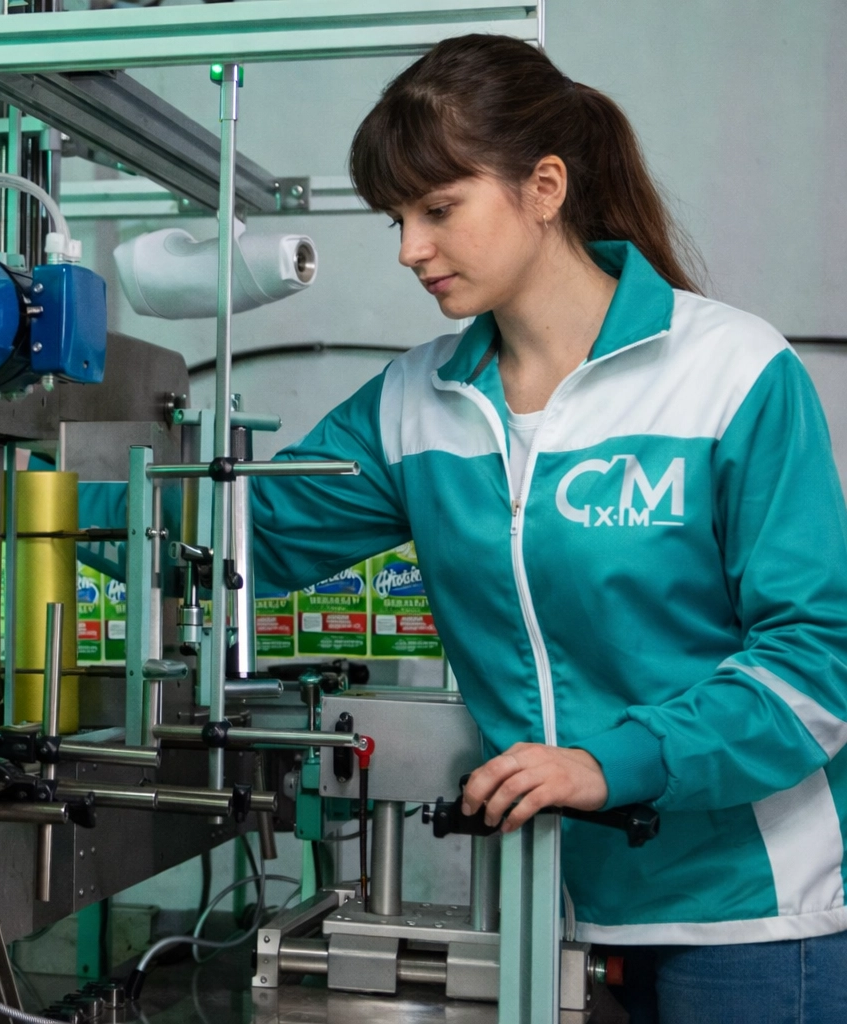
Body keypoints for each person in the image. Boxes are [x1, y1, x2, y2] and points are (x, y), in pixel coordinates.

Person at [249, 34, 847, 1023]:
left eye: (439, 209)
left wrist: (614, 762)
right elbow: (231, 530)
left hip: (752, 920)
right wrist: (28, 490)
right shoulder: (417, 401)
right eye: (397, 219)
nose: (409, 250)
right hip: (548, 911)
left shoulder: (730, 373)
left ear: (545, 187)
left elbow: (815, 665)